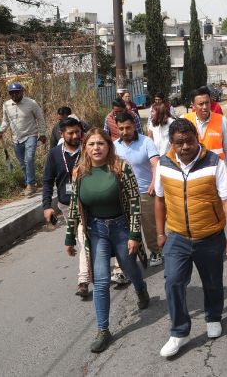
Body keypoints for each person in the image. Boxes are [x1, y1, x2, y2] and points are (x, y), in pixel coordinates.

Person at [154, 118, 227, 357]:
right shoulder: (164, 164)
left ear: (197, 139)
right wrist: (160, 233)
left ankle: (213, 316)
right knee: (173, 281)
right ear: (171, 143)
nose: (184, 147)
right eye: (179, 143)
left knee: (212, 282)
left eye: (189, 141)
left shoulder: (214, 162)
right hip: (177, 236)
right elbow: (159, 200)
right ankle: (179, 332)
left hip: (210, 235)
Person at [63, 128, 149, 354]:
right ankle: (103, 330)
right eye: (91, 144)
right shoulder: (79, 171)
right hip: (96, 230)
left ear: (108, 145)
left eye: (100, 143)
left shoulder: (122, 168)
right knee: (100, 280)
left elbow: (134, 202)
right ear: (85, 148)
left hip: (121, 226)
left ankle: (141, 289)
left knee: (130, 267)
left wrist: (134, 235)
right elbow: (74, 205)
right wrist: (70, 236)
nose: (96, 148)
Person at [42, 117, 90, 297]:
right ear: (62, 134)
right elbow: (47, 182)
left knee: (83, 236)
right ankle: (90, 268)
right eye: (71, 133)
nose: (75, 135)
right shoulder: (54, 154)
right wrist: (47, 206)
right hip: (66, 205)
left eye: (78, 132)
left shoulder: (88, 150)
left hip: (87, 203)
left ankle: (83, 280)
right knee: (82, 239)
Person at [113, 113, 162, 267]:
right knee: (127, 227)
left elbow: (155, 164)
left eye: (128, 127)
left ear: (134, 126)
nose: (124, 131)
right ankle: (130, 256)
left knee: (149, 225)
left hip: (145, 191)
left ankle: (155, 251)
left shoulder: (146, 142)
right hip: (124, 195)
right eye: (121, 128)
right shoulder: (114, 146)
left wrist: (154, 183)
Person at [0, 82, 47, 196]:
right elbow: (6, 121)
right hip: (16, 138)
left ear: (22, 92)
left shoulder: (31, 103)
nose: (14, 95)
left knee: (29, 159)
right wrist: (1, 130)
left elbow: (40, 118)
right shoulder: (6, 105)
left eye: (17, 92)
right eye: (11, 93)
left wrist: (42, 133)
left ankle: (29, 185)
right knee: (22, 164)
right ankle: (32, 183)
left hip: (31, 135)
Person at [183, 86, 227, 183]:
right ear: (193, 105)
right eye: (201, 104)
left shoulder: (221, 120)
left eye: (207, 103)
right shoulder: (185, 120)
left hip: (217, 173)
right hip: (194, 173)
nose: (205, 107)